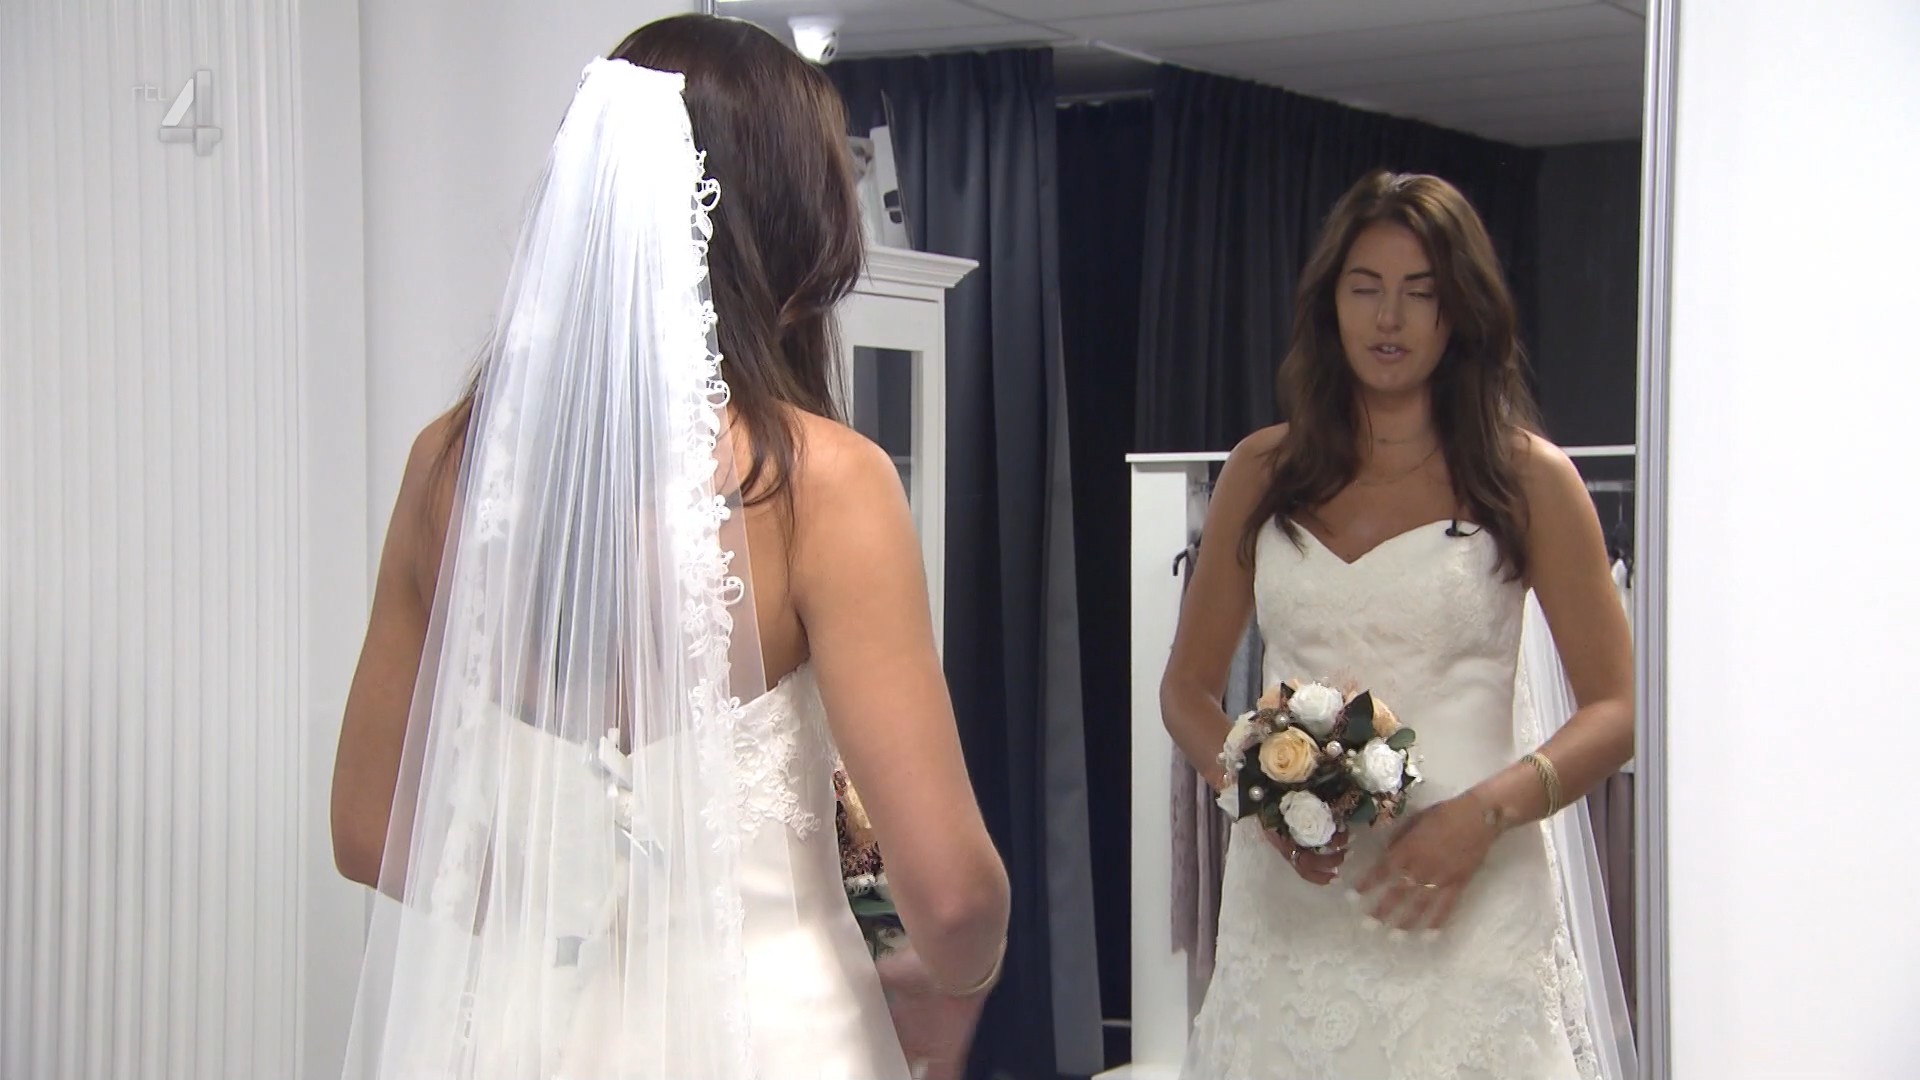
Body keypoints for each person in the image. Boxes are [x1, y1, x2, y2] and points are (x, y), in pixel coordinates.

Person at [328, 16, 1008, 1080]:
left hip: (522, 1036)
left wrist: (563, 917)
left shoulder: (452, 465)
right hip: (772, 1038)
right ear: (792, 228)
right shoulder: (822, 481)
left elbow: (368, 826)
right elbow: (954, 897)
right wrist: (956, 986)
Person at [1163, 170, 1636, 1079]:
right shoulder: (1261, 473)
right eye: (1366, 288)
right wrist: (1257, 797)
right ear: (1329, 302)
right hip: (1292, 902)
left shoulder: (1529, 480)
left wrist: (1484, 816)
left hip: (1469, 898)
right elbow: (1185, 690)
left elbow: (1616, 710)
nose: (1390, 318)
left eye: (1421, 292)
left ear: (1461, 309)